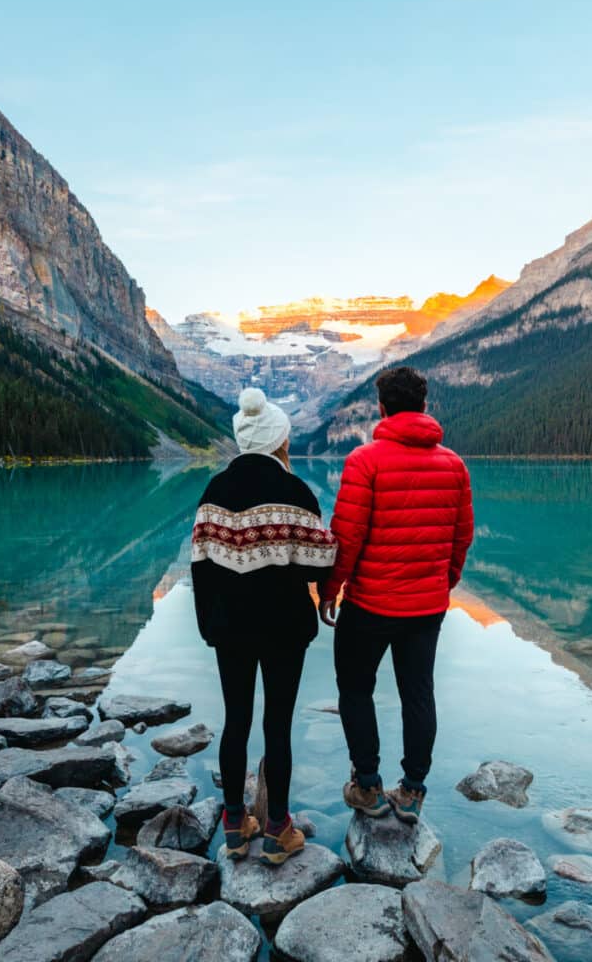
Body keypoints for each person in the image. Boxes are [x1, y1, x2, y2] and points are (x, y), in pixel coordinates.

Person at [319, 366, 473, 823]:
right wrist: (443, 583)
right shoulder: (454, 465)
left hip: (368, 604)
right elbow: (462, 537)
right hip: (426, 607)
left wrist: (330, 590)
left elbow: (346, 537)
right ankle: (412, 792)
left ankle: (367, 785)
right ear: (424, 407)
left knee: (355, 689)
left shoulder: (364, 461)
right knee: (418, 694)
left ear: (381, 408)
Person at [191, 387, 336, 865]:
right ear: (280, 442)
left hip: (229, 628)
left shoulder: (214, 491)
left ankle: (235, 823)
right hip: (283, 629)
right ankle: (278, 830)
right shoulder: (296, 492)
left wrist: (208, 625)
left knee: (236, 720)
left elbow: (200, 565)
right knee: (278, 724)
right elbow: (319, 566)